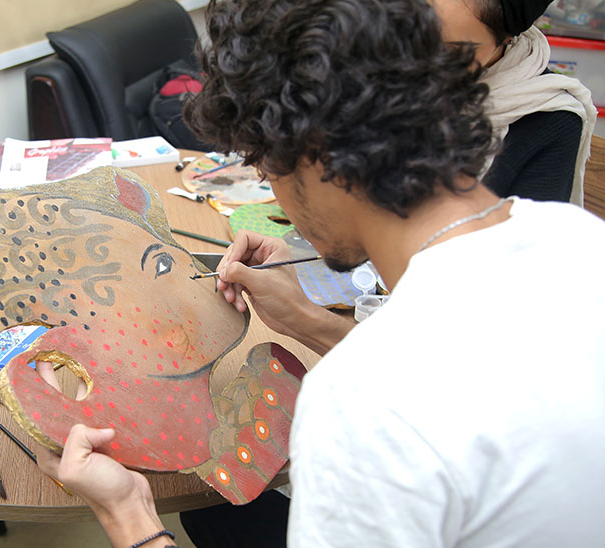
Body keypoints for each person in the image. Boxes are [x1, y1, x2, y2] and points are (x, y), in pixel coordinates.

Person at [36, 0, 605, 546]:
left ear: (314, 154)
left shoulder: (358, 407)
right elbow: (461, 376)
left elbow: (408, 393)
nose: (273, 188)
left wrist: (130, 517)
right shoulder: (577, 238)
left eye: (265, 166)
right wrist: (307, 319)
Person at [434, 0, 597, 204]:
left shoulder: (550, 119)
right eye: (416, 36)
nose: (425, 59)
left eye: (452, 50)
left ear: (505, 38)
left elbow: (532, 222)